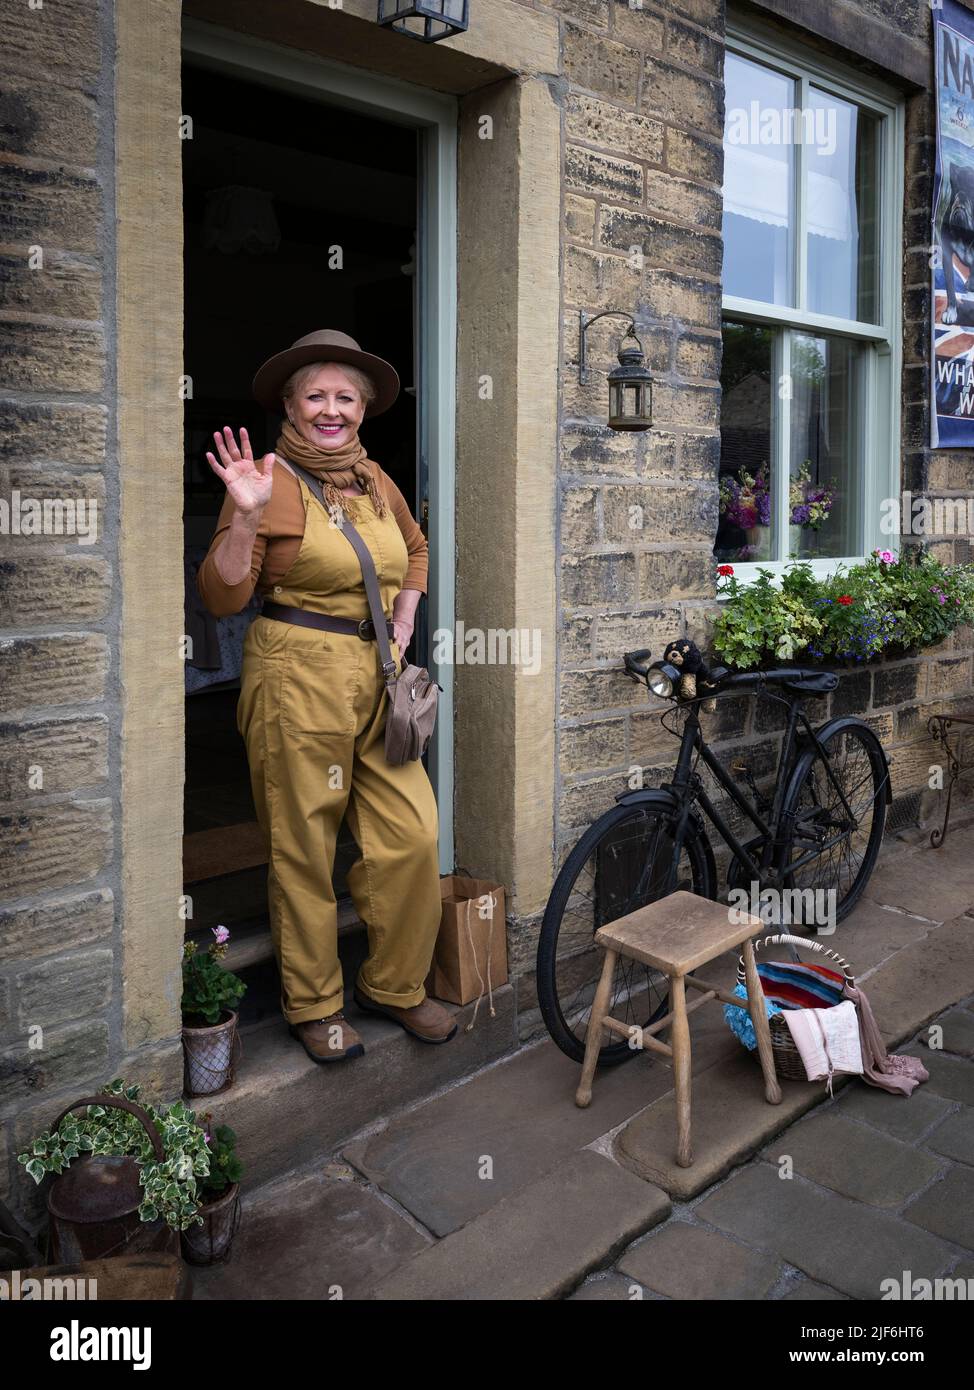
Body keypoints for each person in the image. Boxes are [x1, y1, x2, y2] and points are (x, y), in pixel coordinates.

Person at [196, 329, 456, 1062]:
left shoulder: (375, 481)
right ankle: (315, 1006)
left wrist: (406, 612)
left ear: (364, 411)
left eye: (346, 397)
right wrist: (244, 513)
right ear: (290, 403)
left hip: (377, 676)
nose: (332, 409)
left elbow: (417, 549)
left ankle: (395, 985)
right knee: (303, 846)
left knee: (411, 835)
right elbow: (221, 596)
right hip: (295, 673)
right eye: (316, 396)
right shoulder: (268, 479)